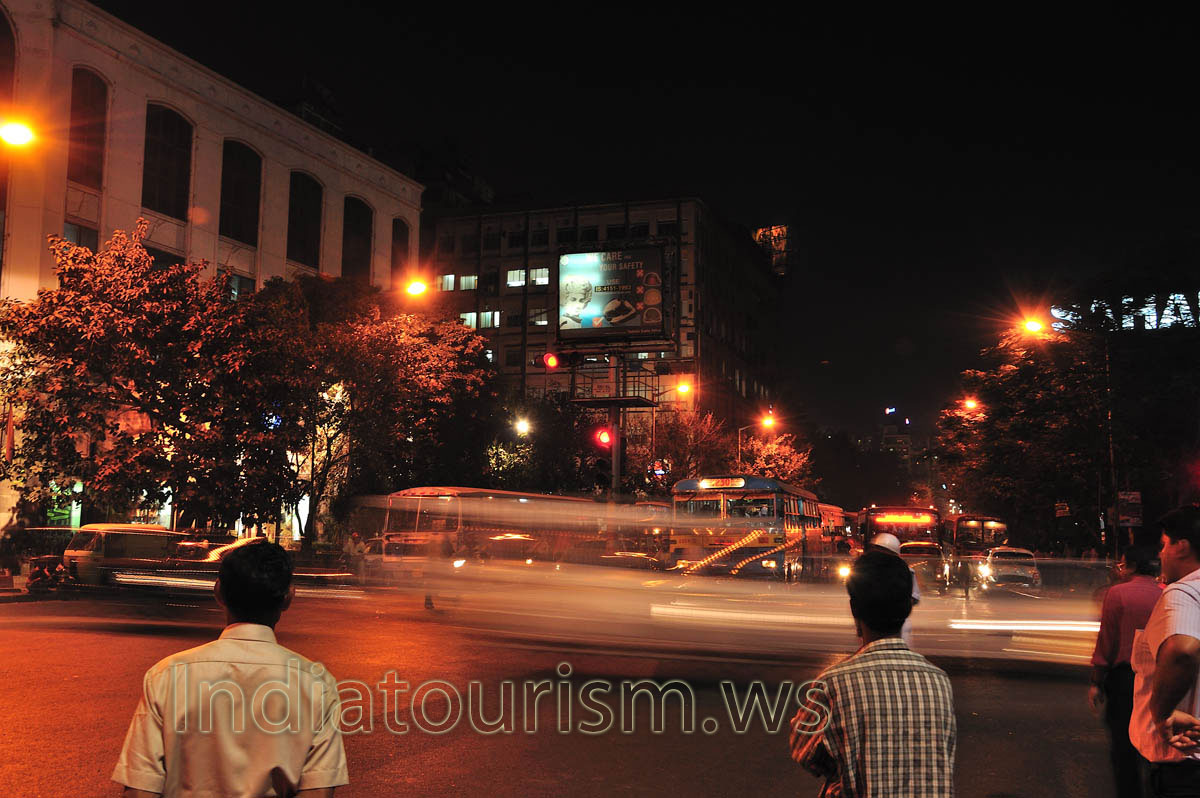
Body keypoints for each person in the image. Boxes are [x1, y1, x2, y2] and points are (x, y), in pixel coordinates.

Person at [112, 539, 348, 798]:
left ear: (218, 592)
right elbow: (318, 792)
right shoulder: (317, 684)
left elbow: (140, 788)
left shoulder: (167, 676)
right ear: (288, 598)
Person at [790, 550, 956, 797]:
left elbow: (804, 751)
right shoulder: (939, 681)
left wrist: (847, 763)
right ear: (908, 608)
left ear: (854, 610)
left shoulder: (834, 683)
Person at [1129, 506, 1200, 797]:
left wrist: (1162, 715)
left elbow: (1182, 651)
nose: (1160, 554)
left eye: (1164, 545)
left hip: (1184, 765)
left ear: (1181, 546)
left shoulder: (1184, 593)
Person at [1089, 544, 1162, 798]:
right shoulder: (1165, 594)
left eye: (1121, 565)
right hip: (1160, 678)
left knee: (1124, 746)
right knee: (1156, 743)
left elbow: (1106, 641)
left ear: (1130, 567)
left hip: (1125, 679)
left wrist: (1096, 681)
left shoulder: (1117, 594)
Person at [867, 532, 920, 648]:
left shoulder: (907, 572)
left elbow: (913, 598)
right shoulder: (867, 572)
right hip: (876, 625)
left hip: (897, 626)